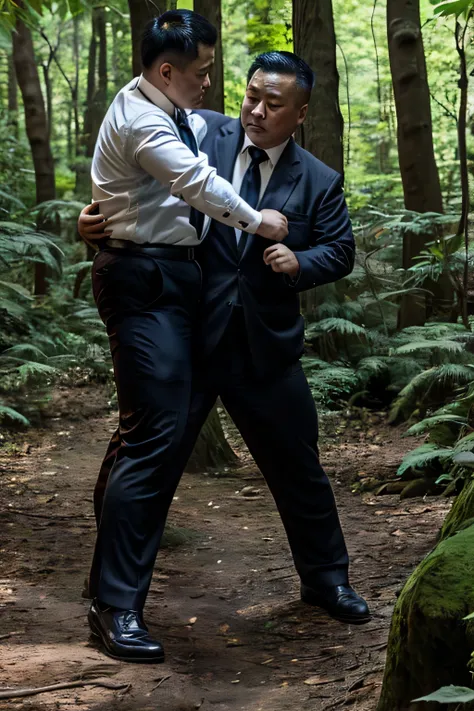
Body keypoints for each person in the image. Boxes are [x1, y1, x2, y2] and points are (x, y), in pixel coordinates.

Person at [79, 50, 372, 661]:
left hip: (264, 351)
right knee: (147, 466)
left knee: (300, 471)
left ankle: (327, 581)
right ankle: (115, 603)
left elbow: (340, 251)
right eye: (251, 97)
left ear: (301, 113)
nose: (256, 111)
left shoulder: (319, 179)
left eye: (273, 103)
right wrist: (96, 225)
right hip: (181, 339)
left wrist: (302, 263)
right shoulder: (195, 130)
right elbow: (132, 183)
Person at [82, 9, 288, 665]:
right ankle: (115, 607)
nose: (209, 83)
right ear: (167, 71)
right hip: (145, 283)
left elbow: (203, 140)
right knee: (154, 436)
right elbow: (196, 182)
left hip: (172, 280)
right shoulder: (146, 120)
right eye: (201, 72)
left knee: (143, 428)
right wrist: (262, 223)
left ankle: (108, 559)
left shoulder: (161, 104)